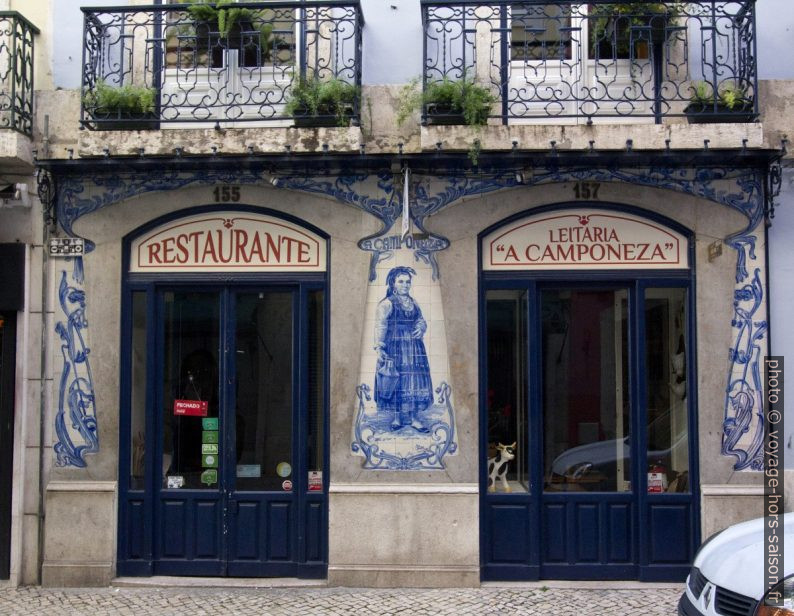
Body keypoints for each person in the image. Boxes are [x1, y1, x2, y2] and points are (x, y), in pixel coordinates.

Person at [374, 266, 433, 432]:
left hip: (414, 348)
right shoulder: (386, 304)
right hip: (396, 347)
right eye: (401, 281)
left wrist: (421, 328)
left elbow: (421, 319)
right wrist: (379, 348)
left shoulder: (413, 302)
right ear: (393, 283)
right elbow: (380, 325)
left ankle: (415, 419)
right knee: (397, 381)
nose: (405, 285)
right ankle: (398, 418)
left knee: (414, 381)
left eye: (408, 282)